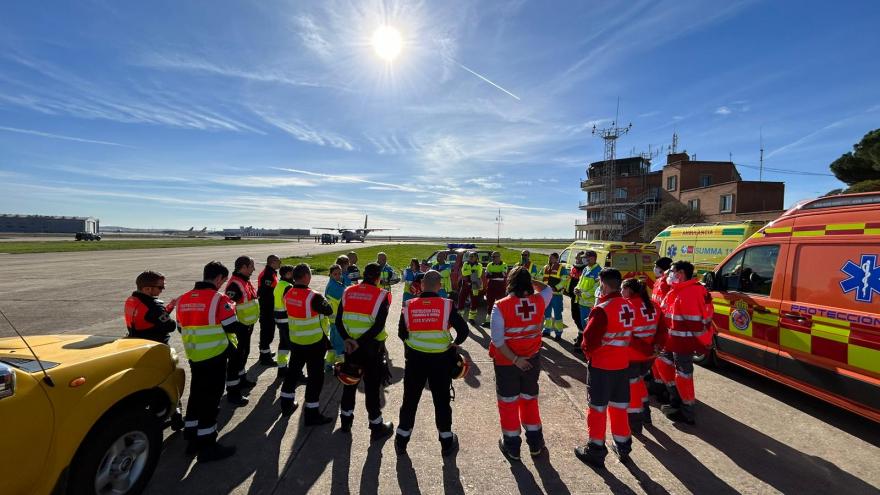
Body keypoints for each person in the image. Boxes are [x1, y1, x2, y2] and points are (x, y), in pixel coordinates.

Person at [395, 270, 470, 456]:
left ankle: (401, 440)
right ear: (439, 286)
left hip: (415, 360)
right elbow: (463, 330)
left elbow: (401, 333)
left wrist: (413, 344)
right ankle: (446, 441)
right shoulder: (446, 305)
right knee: (442, 401)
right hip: (441, 361)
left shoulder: (408, 305)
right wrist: (455, 344)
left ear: (421, 286)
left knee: (410, 400)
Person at [176, 261, 240, 461]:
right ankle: (207, 445)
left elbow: (179, 327)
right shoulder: (218, 299)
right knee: (211, 400)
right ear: (219, 278)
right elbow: (231, 326)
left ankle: (191, 436)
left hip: (194, 354)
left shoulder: (183, 299)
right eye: (223, 280)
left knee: (196, 395)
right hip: (214, 355)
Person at [490, 267, 552, 461]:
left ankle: (512, 446)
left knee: (508, 403)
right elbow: (548, 288)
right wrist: (529, 280)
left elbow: (498, 341)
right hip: (532, 360)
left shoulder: (500, 306)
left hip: (507, 362)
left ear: (510, 282)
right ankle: (535, 443)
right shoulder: (540, 299)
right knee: (529, 400)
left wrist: (516, 360)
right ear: (528, 283)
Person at [575, 268, 634, 467]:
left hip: (602, 366)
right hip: (622, 365)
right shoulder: (628, 306)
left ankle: (596, 449)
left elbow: (588, 341)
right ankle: (623, 445)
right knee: (619, 407)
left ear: (604, 285)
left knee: (598, 408)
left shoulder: (602, 309)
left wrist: (589, 355)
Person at [336, 263, 394, 439]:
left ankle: (346, 421)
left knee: (349, 382)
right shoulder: (381, 295)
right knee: (371, 387)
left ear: (363, 275)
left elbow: (338, 320)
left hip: (350, 347)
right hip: (370, 348)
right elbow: (378, 326)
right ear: (378, 278)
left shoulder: (348, 291)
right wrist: (359, 342)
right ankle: (376, 426)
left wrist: (348, 340)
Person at [655, 261, 713, 424]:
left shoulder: (689, 293)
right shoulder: (677, 290)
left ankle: (687, 411)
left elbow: (695, 324)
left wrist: (704, 343)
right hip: (671, 340)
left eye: (671, 271)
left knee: (683, 375)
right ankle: (676, 400)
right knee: (663, 363)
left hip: (683, 342)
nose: (668, 274)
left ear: (680, 273)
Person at [279, 263, 335, 424]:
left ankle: (286, 404)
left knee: (292, 373)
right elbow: (329, 310)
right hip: (314, 343)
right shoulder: (314, 296)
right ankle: (311, 413)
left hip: (296, 340)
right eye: (309, 274)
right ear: (305, 276)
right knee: (315, 378)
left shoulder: (288, 292)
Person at [621, 278, 666, 434]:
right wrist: (654, 348)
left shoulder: (626, 307)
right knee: (639, 383)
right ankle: (646, 415)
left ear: (629, 290)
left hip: (632, 356)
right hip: (648, 358)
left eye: (622, 289)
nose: (621, 292)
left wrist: (646, 349)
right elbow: (662, 330)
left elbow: (625, 334)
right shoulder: (654, 306)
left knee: (632, 389)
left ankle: (635, 424)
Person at [223, 256, 260, 406]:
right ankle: (233, 391)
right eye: (251, 266)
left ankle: (242, 378)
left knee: (244, 353)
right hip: (239, 326)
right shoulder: (234, 285)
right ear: (243, 267)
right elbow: (228, 307)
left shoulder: (244, 281)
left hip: (247, 324)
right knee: (235, 358)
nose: (254, 269)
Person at [124, 270, 177, 344]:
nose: (162, 289)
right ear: (147, 289)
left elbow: (152, 317)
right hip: (154, 345)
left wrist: (169, 308)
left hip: (135, 341)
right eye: (160, 287)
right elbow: (170, 326)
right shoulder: (153, 307)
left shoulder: (131, 300)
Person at [574, 251, 602, 347]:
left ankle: (590, 346)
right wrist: (576, 288)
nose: (584, 259)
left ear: (593, 258)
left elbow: (596, 288)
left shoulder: (598, 271)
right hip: (581, 302)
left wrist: (583, 294)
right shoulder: (586, 269)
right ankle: (584, 343)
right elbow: (580, 282)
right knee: (583, 325)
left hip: (589, 304)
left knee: (589, 327)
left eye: (587, 257)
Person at [257, 255, 280, 366]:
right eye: (278, 261)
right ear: (272, 262)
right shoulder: (267, 274)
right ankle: (265, 358)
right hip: (267, 308)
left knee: (269, 332)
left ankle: (265, 352)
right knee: (267, 332)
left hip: (270, 307)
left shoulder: (272, 272)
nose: (280, 263)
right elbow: (266, 293)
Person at [273, 265, 295, 379]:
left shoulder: (279, 285)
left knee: (283, 345)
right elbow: (290, 304)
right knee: (294, 347)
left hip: (279, 319)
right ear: (287, 274)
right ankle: (295, 373)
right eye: (292, 273)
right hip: (287, 320)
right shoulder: (288, 286)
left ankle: (282, 368)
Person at [541, 252, 568, 341]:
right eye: (549, 258)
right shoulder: (545, 268)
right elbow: (540, 277)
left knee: (557, 314)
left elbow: (564, 281)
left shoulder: (562, 268)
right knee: (547, 314)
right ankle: (547, 330)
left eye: (552, 258)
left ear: (557, 259)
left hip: (556, 296)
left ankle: (558, 332)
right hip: (546, 295)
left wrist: (555, 288)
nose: (550, 259)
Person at [324, 263, 347, 369]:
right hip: (338, 320)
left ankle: (328, 363)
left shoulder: (334, 284)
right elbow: (346, 296)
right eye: (335, 274)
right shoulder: (335, 287)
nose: (338, 276)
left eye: (340, 273)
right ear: (330, 275)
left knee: (333, 344)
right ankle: (341, 367)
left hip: (333, 320)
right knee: (340, 345)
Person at [482, 251, 508, 328]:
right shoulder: (489, 264)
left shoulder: (504, 265)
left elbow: (503, 275)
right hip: (491, 286)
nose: (493, 258)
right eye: (492, 257)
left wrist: (492, 274)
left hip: (500, 287)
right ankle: (488, 321)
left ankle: (502, 321)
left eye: (495, 257)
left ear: (499, 257)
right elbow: (487, 275)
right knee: (490, 304)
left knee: (501, 304)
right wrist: (497, 274)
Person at [565, 252, 587, 340]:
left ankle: (583, 336)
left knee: (582, 318)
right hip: (573, 296)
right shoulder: (574, 268)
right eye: (576, 258)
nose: (576, 259)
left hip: (582, 298)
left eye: (578, 258)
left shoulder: (585, 269)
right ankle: (580, 333)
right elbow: (570, 280)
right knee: (575, 316)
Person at [460, 251, 484, 324]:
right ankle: (460, 316)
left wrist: (468, 271)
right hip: (465, 284)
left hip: (475, 285)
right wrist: (472, 271)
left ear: (476, 257)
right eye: (469, 256)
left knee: (474, 301)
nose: (470, 258)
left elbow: (478, 274)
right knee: (461, 299)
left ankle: (471, 318)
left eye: (472, 256)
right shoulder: (465, 264)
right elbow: (463, 273)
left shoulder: (479, 265)